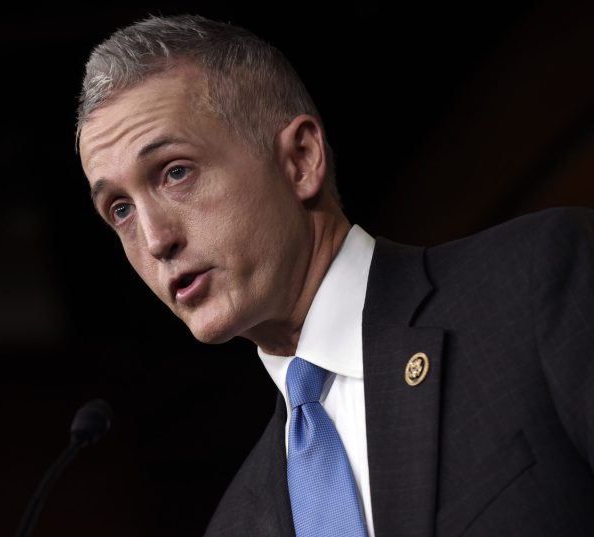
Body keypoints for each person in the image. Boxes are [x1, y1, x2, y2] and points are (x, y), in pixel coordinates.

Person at [75, 14, 594, 537]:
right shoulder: (233, 526)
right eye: (121, 209)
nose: (155, 240)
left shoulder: (533, 282)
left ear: (301, 160)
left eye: (176, 172)